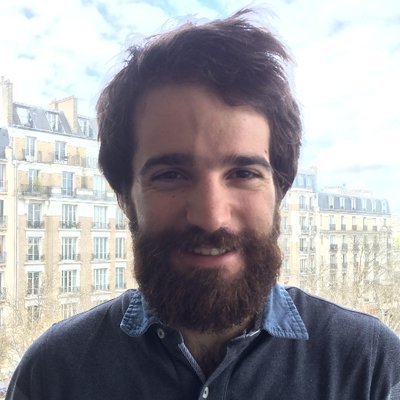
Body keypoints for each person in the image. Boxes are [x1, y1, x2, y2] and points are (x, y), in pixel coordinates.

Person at [6, 9, 400, 400]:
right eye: (170, 175)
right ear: (124, 196)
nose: (212, 217)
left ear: (279, 190)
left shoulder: (372, 368)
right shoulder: (52, 374)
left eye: (243, 173)